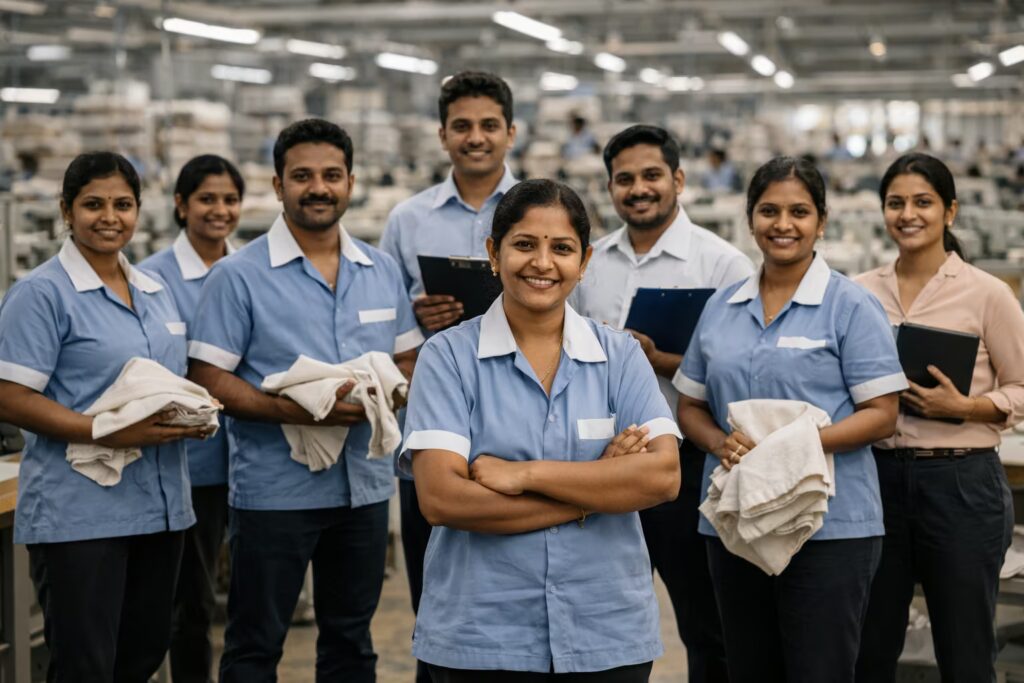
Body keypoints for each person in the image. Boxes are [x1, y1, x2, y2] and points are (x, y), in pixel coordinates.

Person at [402, 179, 682, 681]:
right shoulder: (447, 357)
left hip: (605, 633)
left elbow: (662, 477)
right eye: (525, 244)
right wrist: (595, 491)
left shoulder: (620, 356)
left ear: (585, 260)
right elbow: (443, 499)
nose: (543, 263)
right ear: (494, 253)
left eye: (562, 249)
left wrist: (524, 474)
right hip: (482, 635)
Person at [186, 119, 423, 682]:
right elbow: (208, 377)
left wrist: (383, 396)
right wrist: (294, 410)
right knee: (255, 645)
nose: (318, 188)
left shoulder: (380, 270)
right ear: (278, 185)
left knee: (351, 642)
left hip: (364, 490)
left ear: (351, 182)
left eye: (331, 175)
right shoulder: (238, 277)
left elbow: (410, 360)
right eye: (302, 176)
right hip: (275, 493)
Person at [675, 156, 907, 683]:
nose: (783, 224)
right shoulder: (722, 307)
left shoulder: (850, 305)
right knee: (747, 667)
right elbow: (690, 405)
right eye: (769, 211)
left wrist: (799, 445)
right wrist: (718, 442)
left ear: (821, 221)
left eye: (799, 212)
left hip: (829, 529)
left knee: (819, 670)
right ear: (750, 219)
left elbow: (882, 415)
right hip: (735, 521)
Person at [0, 151, 208, 682]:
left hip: (162, 507)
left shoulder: (155, 292)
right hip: (81, 514)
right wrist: (103, 430)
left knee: (142, 655)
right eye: (93, 204)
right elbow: (9, 396)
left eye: (123, 204)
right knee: (86, 666)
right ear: (66, 210)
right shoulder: (41, 294)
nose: (109, 217)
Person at [572, 124, 752, 683]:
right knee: (600, 616)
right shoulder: (589, 263)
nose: (638, 189)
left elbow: (742, 373)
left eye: (651, 175)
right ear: (610, 188)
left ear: (678, 179)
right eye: (624, 179)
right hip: (602, 459)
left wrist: (661, 360)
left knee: (706, 622)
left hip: (688, 463)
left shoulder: (722, 266)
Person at [854, 153, 1023, 682]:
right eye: (896, 203)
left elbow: (1022, 387)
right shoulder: (858, 292)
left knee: (965, 650)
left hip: (960, 483)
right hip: (876, 481)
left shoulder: (988, 293)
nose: (908, 214)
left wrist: (966, 407)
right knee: (870, 647)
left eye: (923, 202)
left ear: (949, 211)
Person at [379, 70, 517, 681]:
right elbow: (385, 319)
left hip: (519, 416)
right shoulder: (408, 220)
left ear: (511, 132)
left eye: (489, 125)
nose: (475, 137)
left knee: (517, 567)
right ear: (442, 135)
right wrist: (416, 316)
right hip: (436, 417)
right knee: (434, 578)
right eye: (462, 126)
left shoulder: (539, 206)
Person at [139, 154, 244, 683]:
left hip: (251, 458)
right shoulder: (152, 279)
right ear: (181, 205)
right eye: (206, 199)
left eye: (229, 199)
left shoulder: (250, 270)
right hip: (192, 463)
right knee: (192, 601)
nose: (219, 210)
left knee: (247, 597)